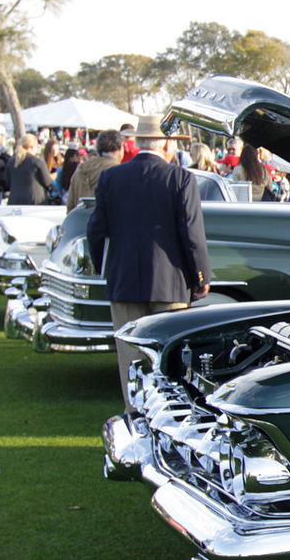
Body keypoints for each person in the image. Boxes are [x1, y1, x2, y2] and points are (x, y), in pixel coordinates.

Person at [86, 116, 209, 408]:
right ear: (166, 143)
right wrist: (200, 278)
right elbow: (192, 234)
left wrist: (104, 266)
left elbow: (95, 229)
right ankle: (168, 417)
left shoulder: (111, 177)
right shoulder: (179, 178)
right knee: (168, 358)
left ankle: (135, 416)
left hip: (124, 281)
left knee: (130, 359)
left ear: (137, 142)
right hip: (170, 284)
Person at [67, 129, 125, 210]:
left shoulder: (80, 169)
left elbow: (70, 204)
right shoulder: (119, 172)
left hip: (80, 220)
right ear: (121, 146)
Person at [6, 133, 53, 205]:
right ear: (32, 147)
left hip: (14, 200)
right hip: (35, 200)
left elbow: (7, 182)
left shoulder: (11, 162)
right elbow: (47, 182)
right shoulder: (37, 162)